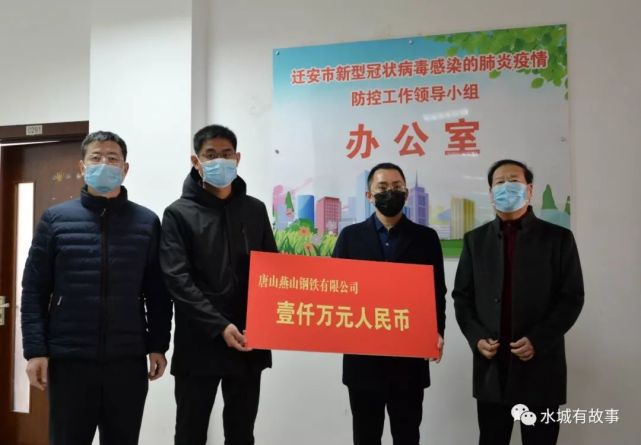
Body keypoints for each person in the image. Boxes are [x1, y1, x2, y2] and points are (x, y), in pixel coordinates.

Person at [21, 130, 172, 445]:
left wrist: (158, 344)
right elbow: (34, 289)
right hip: (69, 360)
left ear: (125, 168)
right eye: (96, 157)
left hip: (127, 361)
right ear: (82, 167)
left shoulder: (146, 222)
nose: (104, 163)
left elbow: (158, 292)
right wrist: (35, 351)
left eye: (113, 158)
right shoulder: (55, 220)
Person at [160, 124, 278, 445]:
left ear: (237, 158)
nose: (219, 161)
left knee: (241, 432)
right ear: (196, 161)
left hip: (248, 340)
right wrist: (219, 325)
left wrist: (265, 323)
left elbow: (272, 270)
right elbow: (177, 280)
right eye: (210, 155)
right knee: (190, 432)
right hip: (199, 341)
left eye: (226, 154)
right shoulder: (178, 214)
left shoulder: (255, 210)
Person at [452, 159, 584, 445]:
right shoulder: (475, 240)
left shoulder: (558, 238)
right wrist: (476, 337)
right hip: (492, 364)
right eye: (499, 183)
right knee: (491, 438)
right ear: (490, 192)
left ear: (530, 189)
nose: (506, 187)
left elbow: (571, 298)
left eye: (513, 180)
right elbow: (462, 296)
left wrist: (539, 339)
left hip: (540, 365)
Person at [331, 162, 446, 445]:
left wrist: (437, 331)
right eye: (382, 187)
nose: (390, 192)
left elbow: (437, 291)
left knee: (407, 436)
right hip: (362, 362)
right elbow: (335, 290)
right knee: (365, 437)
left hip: (409, 361)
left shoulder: (426, 238)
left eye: (396, 187)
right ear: (369, 195)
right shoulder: (350, 237)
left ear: (406, 193)